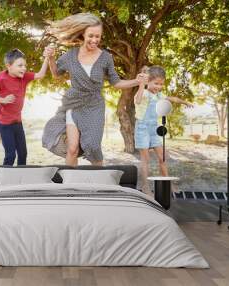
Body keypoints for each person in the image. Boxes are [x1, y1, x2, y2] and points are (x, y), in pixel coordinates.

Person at [42, 13, 147, 166]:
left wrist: (136, 81)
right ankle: (70, 186)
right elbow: (57, 74)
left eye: (98, 36)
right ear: (83, 34)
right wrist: (51, 58)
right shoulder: (70, 55)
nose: (95, 40)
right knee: (72, 148)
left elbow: (116, 82)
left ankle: (100, 185)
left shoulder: (105, 57)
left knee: (93, 147)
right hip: (74, 103)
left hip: (94, 105)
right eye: (91, 36)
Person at [134, 65, 193, 196]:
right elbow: (137, 101)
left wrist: (185, 102)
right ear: (148, 81)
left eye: (161, 84)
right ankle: (145, 186)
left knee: (163, 158)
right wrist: (141, 85)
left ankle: (168, 184)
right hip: (142, 128)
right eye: (156, 83)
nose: (158, 87)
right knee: (146, 160)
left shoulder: (159, 95)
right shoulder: (143, 93)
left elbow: (173, 99)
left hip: (154, 128)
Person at [0, 48, 49, 165]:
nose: (24, 68)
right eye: (20, 65)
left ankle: (21, 178)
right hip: (5, 124)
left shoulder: (24, 77)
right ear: (9, 66)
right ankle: (5, 182)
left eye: (25, 65)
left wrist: (47, 57)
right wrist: (2, 100)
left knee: (23, 153)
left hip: (17, 122)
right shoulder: (1, 78)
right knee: (10, 155)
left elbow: (40, 74)